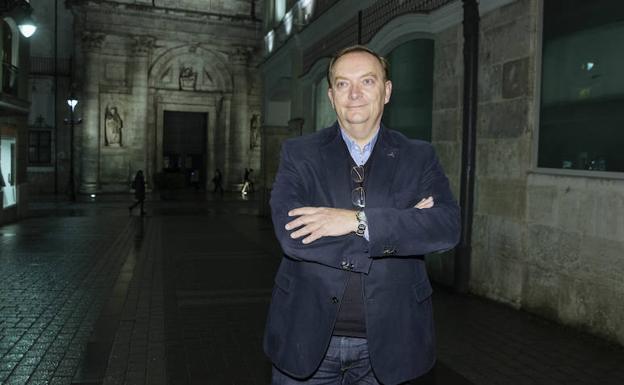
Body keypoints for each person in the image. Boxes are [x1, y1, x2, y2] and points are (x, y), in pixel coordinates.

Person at [264, 45, 461, 385]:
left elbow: (446, 228)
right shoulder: (299, 154)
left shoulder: (419, 156)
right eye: (342, 84)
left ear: (386, 91)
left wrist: (355, 221)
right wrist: (401, 227)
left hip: (393, 342)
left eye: (367, 81)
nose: (354, 94)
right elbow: (292, 237)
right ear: (331, 95)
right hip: (305, 338)